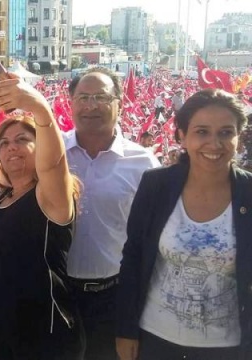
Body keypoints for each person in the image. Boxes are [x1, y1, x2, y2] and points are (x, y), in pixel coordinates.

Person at [116, 89, 252, 360]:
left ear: (238, 139)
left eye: (226, 133)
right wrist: (126, 329)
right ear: (181, 136)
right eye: (202, 132)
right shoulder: (156, 185)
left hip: (226, 348)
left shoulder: (248, 192)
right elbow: (133, 258)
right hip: (154, 340)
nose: (214, 143)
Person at [0, 74, 84, 359]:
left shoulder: (50, 196)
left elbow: (53, 166)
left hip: (44, 333)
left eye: (22, 139)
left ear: (40, 147)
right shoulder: (2, 197)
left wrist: (40, 109)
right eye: (4, 143)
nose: (11, 147)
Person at [64, 67, 159, 360]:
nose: (91, 105)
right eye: (83, 97)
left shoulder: (144, 163)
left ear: (120, 102)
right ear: (71, 103)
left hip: (114, 298)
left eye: (101, 97)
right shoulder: (50, 152)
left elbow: (152, 238)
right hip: (57, 295)